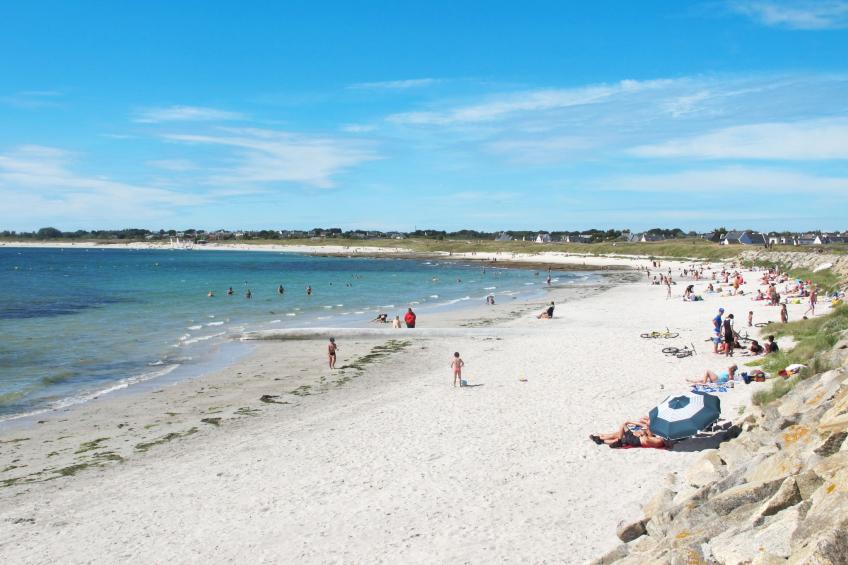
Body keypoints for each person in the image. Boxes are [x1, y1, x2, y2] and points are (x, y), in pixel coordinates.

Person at [589, 416, 669, 449]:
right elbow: (648, 436)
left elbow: (647, 440)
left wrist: (641, 434)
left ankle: (603, 439)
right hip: (636, 438)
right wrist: (643, 432)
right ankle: (601, 438)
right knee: (618, 434)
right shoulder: (658, 438)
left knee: (623, 427)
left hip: (635, 440)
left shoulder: (659, 441)